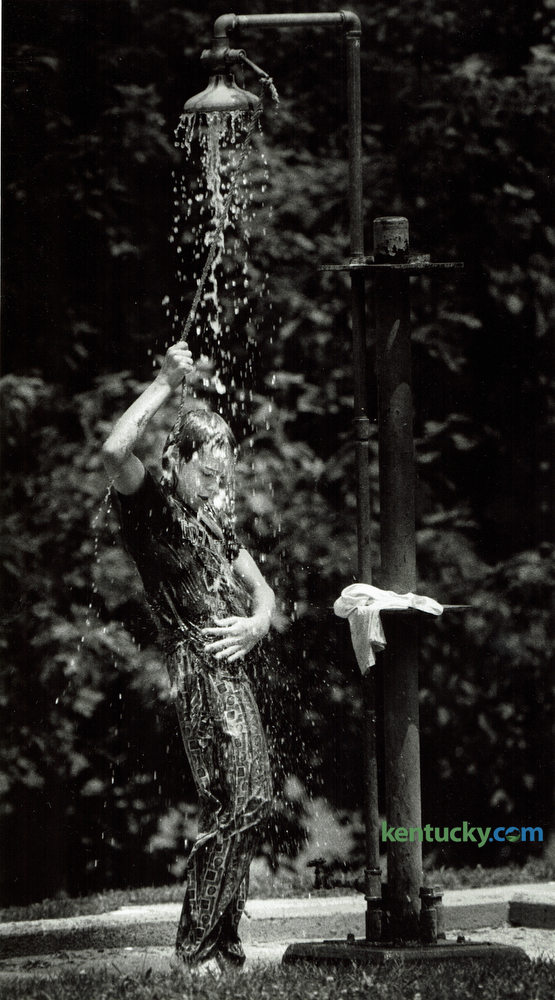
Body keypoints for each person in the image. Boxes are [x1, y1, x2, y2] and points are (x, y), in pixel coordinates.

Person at [102, 340, 274, 972]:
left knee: (253, 798)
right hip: (197, 668)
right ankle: (197, 952)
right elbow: (113, 451)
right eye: (206, 473)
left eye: (222, 476)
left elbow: (263, 590)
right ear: (176, 460)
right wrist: (163, 384)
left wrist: (257, 622)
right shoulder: (150, 507)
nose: (215, 485)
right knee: (235, 798)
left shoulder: (211, 520)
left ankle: (223, 948)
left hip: (231, 665)